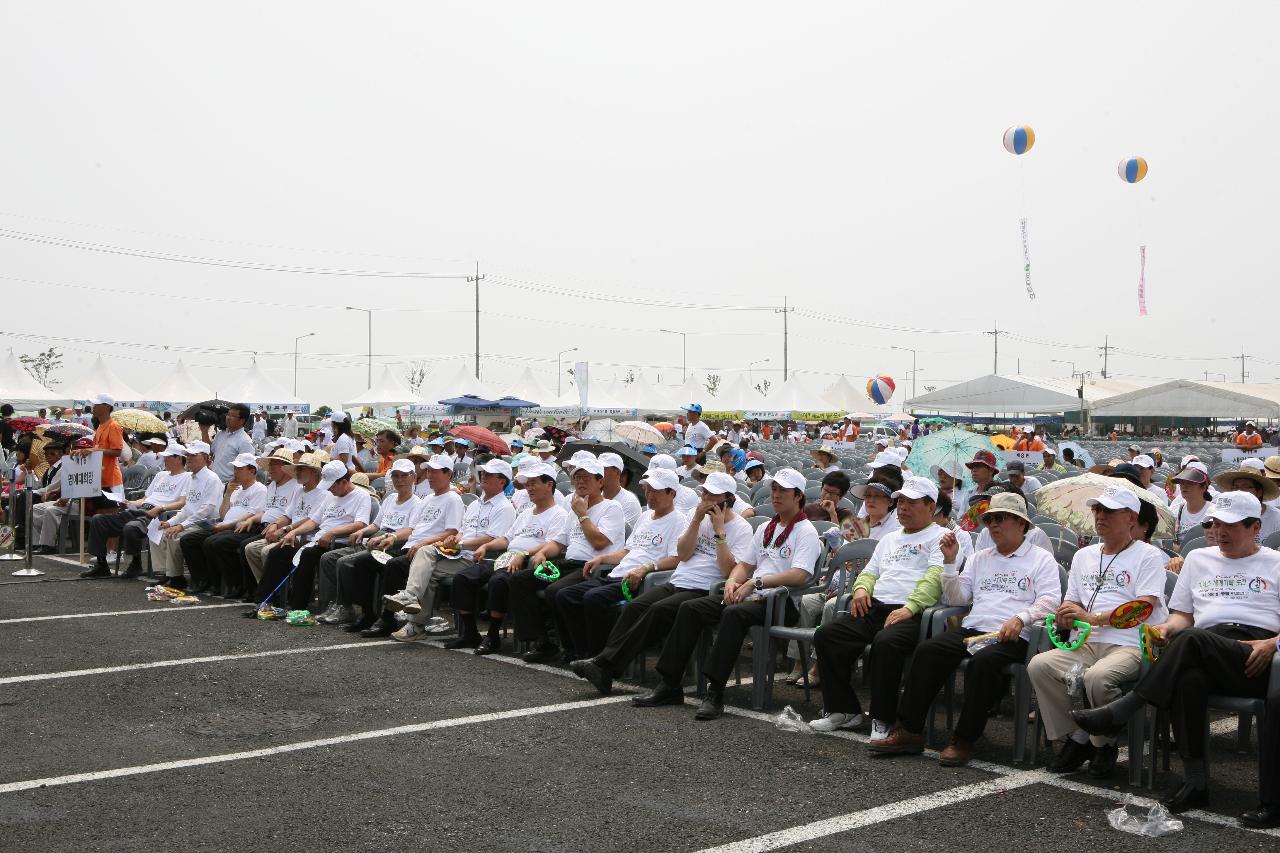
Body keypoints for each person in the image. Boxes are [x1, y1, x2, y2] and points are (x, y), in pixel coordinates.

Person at [1073, 491, 1280, 825]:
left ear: (1255, 527)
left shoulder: (1276, 561)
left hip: (1257, 654)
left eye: (1230, 526)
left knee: (1192, 640)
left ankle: (1125, 708)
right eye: (1214, 524)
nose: (1219, 533)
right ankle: (1196, 782)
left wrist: (1273, 643)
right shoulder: (1199, 559)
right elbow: (1183, 614)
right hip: (1207, 646)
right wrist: (1168, 628)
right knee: (1188, 677)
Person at [868, 493, 1061, 764]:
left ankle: (964, 738)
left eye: (1000, 518)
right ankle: (910, 729)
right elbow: (957, 599)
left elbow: (1051, 601)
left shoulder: (1041, 559)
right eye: (990, 519)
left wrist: (1021, 618)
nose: (993, 524)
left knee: (984, 664)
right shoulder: (981, 557)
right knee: (928, 650)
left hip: (1012, 635)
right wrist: (949, 562)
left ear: (1020, 524)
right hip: (974, 629)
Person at [631, 468, 819, 720]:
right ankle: (669, 683)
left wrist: (756, 583)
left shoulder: (805, 531)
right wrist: (732, 581)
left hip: (781, 601)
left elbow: (799, 575)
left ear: (798, 496)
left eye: (783, 491)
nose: (775, 495)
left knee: (733, 613)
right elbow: (745, 565)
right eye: (774, 489)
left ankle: (715, 691)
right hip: (754, 594)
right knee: (691, 608)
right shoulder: (766, 527)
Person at [1026, 485, 1167, 779]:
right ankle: (1077, 735)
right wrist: (1065, 614)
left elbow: (1143, 608)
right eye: (1097, 510)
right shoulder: (1084, 556)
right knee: (1040, 666)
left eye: (1108, 511)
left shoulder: (1148, 556)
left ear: (1130, 518)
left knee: (1098, 678)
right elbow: (1072, 599)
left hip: (1129, 643)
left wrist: (1093, 617)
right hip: (1088, 642)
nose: (1100, 516)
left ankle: (1103, 744)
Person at [570, 470, 754, 695]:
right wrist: (696, 520)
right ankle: (605, 666)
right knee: (634, 607)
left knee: (659, 610)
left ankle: (606, 666)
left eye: (714, 497)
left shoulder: (742, 528)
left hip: (704, 587)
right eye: (705, 494)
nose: (708, 501)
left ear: (729, 499)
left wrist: (719, 533)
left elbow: (727, 570)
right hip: (678, 580)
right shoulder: (696, 520)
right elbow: (683, 554)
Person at [809, 476, 945, 738]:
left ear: (931, 507)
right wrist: (860, 589)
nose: (903, 507)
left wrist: (911, 607)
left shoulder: (941, 537)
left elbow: (934, 578)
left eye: (911, 502)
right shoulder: (890, 539)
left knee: (886, 643)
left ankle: (883, 719)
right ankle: (843, 709)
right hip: (876, 607)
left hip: (913, 613)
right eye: (901, 501)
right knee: (827, 635)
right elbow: (870, 572)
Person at [556, 467, 686, 665]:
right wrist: (603, 559)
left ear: (672, 493)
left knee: (593, 598)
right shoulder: (645, 517)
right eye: (647, 490)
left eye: (656, 491)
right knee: (566, 595)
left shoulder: (679, 521)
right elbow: (627, 551)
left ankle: (598, 655)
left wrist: (646, 568)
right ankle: (581, 651)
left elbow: (676, 558)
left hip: (639, 581)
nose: (650, 496)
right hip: (617, 573)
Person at [381, 458, 514, 641]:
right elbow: (461, 531)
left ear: (502, 481)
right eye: (483, 473)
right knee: (426, 564)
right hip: (459, 554)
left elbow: (493, 539)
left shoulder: (505, 507)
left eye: (490, 475)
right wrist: (455, 538)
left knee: (425, 562)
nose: (483, 476)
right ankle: (414, 615)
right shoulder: (475, 505)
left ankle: (414, 616)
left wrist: (458, 543)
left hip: (479, 559)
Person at [509, 456, 626, 663]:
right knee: (520, 580)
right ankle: (543, 641)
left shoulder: (611, 508)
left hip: (592, 567)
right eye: (577, 478)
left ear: (600, 482)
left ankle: (574, 647)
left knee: (557, 591)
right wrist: (544, 552)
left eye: (586, 478)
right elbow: (559, 542)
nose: (580, 482)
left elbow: (599, 542)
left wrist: (582, 515)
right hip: (567, 563)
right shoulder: (576, 506)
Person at [447, 461, 569, 654]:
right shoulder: (525, 513)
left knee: (499, 581)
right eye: (527, 484)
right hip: (506, 557)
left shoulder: (559, 514)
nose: (528, 488)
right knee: (463, 578)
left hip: (529, 563)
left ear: (549, 485)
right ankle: (470, 633)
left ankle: (493, 635)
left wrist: (524, 554)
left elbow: (553, 545)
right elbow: (506, 538)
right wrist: (487, 546)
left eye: (533, 483)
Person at [343, 454, 463, 637]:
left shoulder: (453, 499)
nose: (430, 475)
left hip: (428, 551)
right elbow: (412, 528)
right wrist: (392, 537)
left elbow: (451, 533)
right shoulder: (429, 499)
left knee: (393, 566)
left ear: (448, 474)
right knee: (363, 563)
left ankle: (388, 619)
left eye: (435, 472)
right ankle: (367, 614)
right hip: (411, 546)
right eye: (428, 471)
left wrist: (421, 543)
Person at [247, 460, 371, 613]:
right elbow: (313, 521)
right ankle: (264, 599)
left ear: (344, 482)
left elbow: (360, 524)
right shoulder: (330, 497)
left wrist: (332, 532)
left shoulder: (361, 496)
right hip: (317, 540)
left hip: (340, 541)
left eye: (332, 486)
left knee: (307, 555)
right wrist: (292, 532)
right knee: (279, 551)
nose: (330, 490)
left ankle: (298, 604)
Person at [315, 458, 422, 626]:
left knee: (345, 562)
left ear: (413, 478)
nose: (399, 480)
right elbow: (376, 524)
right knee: (328, 558)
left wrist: (386, 537)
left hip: (392, 544)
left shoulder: (417, 503)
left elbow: (411, 530)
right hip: (375, 539)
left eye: (404, 476)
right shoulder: (389, 498)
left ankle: (352, 608)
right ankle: (336, 604)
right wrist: (362, 531)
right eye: (395, 476)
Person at [83, 443, 190, 576]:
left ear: (178, 458)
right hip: (142, 509)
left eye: (167, 457)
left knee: (131, 527)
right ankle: (101, 564)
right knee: (99, 520)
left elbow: (181, 502)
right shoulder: (161, 475)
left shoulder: (188, 477)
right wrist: (129, 502)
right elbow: (145, 498)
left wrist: (160, 507)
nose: (164, 459)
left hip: (159, 514)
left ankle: (136, 563)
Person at [205, 448, 299, 598]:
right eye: (270, 464)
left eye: (275, 464)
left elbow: (291, 516)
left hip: (281, 530)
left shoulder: (295, 487)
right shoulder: (272, 485)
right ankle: (252, 587)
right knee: (213, 541)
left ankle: (255, 589)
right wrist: (251, 519)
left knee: (241, 546)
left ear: (285, 468)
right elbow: (265, 511)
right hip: (263, 525)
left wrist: (276, 525)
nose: (270, 468)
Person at [241, 452, 330, 596]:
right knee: (251, 548)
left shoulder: (323, 494)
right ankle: (267, 589)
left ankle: (277, 593)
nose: (297, 472)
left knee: (267, 551)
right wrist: (275, 524)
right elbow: (287, 515)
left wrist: (285, 529)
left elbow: (311, 520)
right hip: (289, 534)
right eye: (297, 469)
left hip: (304, 537)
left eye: (302, 469)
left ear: (313, 472)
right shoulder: (300, 491)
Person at [179, 453, 268, 594]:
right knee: (188, 539)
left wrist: (227, 525)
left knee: (214, 542)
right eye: (235, 469)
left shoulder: (260, 489)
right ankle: (203, 579)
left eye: (239, 469)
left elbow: (252, 515)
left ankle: (234, 584)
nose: (235, 472)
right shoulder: (236, 490)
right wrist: (227, 494)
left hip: (243, 528)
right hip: (225, 525)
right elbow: (223, 515)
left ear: (252, 471)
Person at [151, 441, 223, 589]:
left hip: (207, 523)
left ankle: (177, 576)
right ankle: (165, 573)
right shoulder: (191, 478)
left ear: (205, 458)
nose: (189, 458)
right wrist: (171, 522)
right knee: (159, 530)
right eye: (188, 455)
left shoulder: (211, 478)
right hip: (192, 522)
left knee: (174, 536)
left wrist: (181, 526)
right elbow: (187, 508)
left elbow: (206, 510)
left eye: (193, 455)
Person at [70, 393, 126, 499]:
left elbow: (117, 452)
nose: (93, 407)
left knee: (112, 512)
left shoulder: (113, 426)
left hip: (111, 480)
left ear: (107, 407)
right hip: (99, 478)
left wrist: (92, 451)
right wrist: (81, 451)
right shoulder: (100, 426)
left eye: (97, 404)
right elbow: (96, 449)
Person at [1212, 467, 1280, 543]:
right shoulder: (1222, 515)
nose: (1239, 490)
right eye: (1235, 487)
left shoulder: (1277, 517)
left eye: (1246, 486)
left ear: (1259, 492)